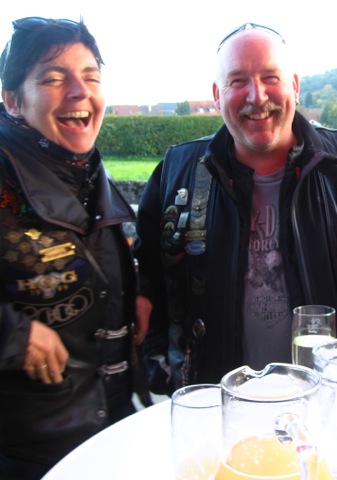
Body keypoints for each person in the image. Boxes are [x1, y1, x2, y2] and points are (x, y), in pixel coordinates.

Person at [135, 23, 337, 393]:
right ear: (216, 95)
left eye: (270, 77)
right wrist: (160, 370)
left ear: (295, 85)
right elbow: (145, 281)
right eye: (238, 81)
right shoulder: (175, 173)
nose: (257, 96)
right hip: (219, 404)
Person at [0, 17, 151, 478]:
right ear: (12, 100)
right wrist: (12, 333)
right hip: (29, 454)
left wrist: (137, 288)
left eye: (90, 76)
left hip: (110, 430)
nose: (79, 90)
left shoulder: (84, 169)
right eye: (53, 78)